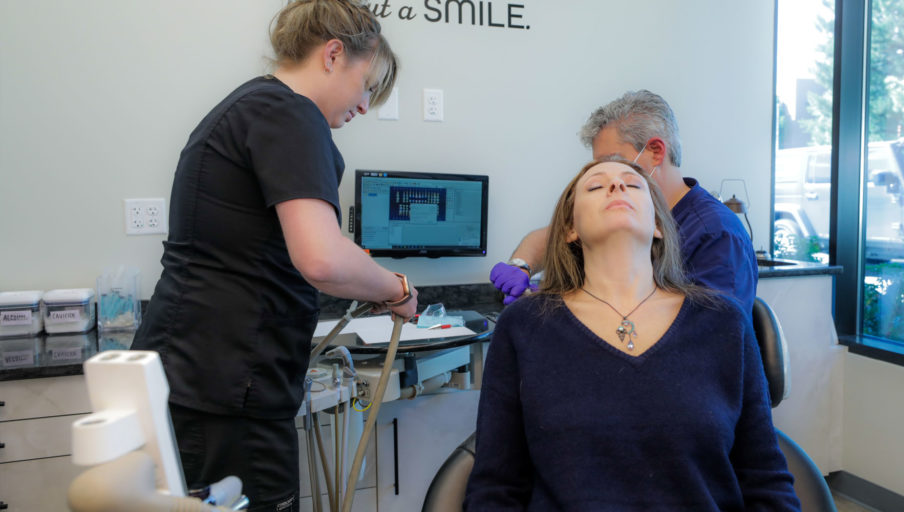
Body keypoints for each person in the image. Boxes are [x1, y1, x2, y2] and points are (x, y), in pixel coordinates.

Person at [131, 1, 416, 510]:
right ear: (333, 54)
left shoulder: (252, 107)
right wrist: (395, 288)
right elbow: (322, 259)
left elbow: (293, 244)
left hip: (202, 375)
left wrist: (359, 270)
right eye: (367, 85)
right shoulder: (289, 113)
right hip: (227, 386)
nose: (364, 105)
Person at [465, 158, 799, 510]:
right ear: (569, 230)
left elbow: (765, 479)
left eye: (634, 184)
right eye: (595, 186)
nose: (617, 185)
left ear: (657, 225)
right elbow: (496, 487)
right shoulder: (524, 326)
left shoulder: (723, 321)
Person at [490, 90, 758, 312]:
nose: (610, 180)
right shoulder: (621, 215)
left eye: (614, 163)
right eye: (597, 175)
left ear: (655, 152)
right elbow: (551, 236)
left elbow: (713, 341)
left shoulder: (716, 234)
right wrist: (521, 266)